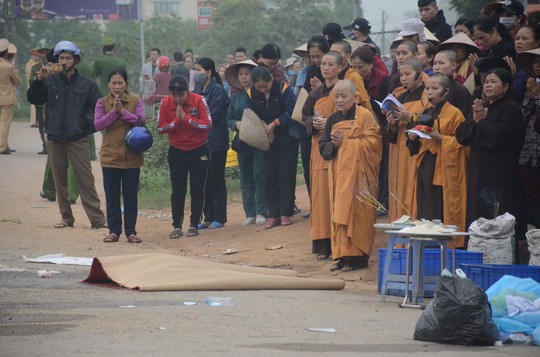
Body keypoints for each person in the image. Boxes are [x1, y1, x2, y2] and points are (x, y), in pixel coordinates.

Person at [27, 40, 106, 229]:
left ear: (75, 60)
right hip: (55, 138)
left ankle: (97, 219)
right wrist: (39, 79)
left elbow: (97, 108)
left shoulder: (87, 84)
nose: (64, 61)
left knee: (85, 179)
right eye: (61, 58)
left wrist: (82, 124)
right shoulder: (49, 81)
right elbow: (33, 98)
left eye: (68, 58)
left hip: (78, 139)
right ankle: (66, 218)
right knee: (59, 180)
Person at [456, 68, 527, 260]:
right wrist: (476, 120)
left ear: (505, 86)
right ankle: (478, 258)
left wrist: (481, 123)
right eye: (486, 81)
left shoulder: (511, 109)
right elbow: (462, 136)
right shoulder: (482, 107)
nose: (488, 85)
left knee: (499, 218)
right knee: (478, 217)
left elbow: (496, 138)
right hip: (479, 171)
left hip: (501, 175)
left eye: (493, 82)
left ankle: (503, 261)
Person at [319, 80, 382, 271]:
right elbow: (323, 146)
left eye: (343, 95)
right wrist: (336, 144)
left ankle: (359, 258)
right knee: (339, 212)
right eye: (336, 96)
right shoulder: (332, 119)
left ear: (355, 97)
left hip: (360, 176)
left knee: (358, 213)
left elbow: (374, 143)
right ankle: (342, 256)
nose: (339, 99)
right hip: (339, 175)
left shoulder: (365, 116)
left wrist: (346, 141)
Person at [405, 73, 469, 247]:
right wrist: (413, 138)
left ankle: (442, 246)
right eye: (427, 89)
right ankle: (425, 245)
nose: (430, 92)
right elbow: (415, 147)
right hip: (425, 164)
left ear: (446, 91)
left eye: (435, 88)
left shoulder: (455, 114)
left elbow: (463, 144)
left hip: (444, 168)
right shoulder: (424, 112)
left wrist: (439, 137)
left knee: (438, 206)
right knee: (424, 204)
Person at [157, 75, 212, 238]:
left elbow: (208, 124)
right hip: (177, 151)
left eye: (181, 95)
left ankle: (194, 223)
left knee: (197, 188)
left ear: (187, 92)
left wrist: (187, 119)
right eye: (175, 95)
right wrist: (176, 120)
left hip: (199, 149)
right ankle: (177, 225)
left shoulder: (199, 100)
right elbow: (160, 129)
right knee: (178, 190)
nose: (178, 99)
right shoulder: (165, 103)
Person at [94, 69, 145, 243]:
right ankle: (114, 231)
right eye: (114, 83)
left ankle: (131, 231)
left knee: (131, 196)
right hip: (110, 156)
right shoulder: (101, 102)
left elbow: (141, 121)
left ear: (126, 84)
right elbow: (98, 124)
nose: (117, 87)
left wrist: (123, 111)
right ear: (108, 85)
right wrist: (114, 112)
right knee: (112, 195)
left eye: (120, 83)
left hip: (132, 157)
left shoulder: (135, 101)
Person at [302, 51, 343, 260]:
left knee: (337, 195)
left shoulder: (343, 90)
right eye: (323, 64)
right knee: (320, 197)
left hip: (338, 148)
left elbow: (352, 116)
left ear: (340, 67)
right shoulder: (316, 92)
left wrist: (330, 123)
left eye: (330, 64)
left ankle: (340, 243)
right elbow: (305, 114)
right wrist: (313, 123)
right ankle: (322, 243)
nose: (325, 68)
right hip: (319, 148)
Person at [247, 66, 298, 228]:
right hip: (266, 138)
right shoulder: (251, 93)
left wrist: (275, 123)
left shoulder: (283, 88)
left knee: (285, 173)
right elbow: (251, 114)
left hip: (286, 136)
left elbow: (293, 111)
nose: (262, 90)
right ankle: (273, 214)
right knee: (270, 175)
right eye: (259, 87)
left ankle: (285, 213)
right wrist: (262, 125)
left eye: (265, 86)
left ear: (271, 79)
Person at [386, 58, 430, 220]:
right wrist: (392, 124)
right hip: (397, 153)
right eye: (401, 75)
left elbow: (429, 121)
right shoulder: (400, 97)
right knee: (397, 190)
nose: (403, 78)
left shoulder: (427, 95)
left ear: (419, 74)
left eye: (408, 74)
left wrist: (410, 117)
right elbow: (391, 133)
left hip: (415, 152)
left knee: (412, 191)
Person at [226, 59, 267, 226]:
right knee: (245, 177)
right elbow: (228, 118)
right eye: (241, 74)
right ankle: (249, 213)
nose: (244, 77)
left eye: (247, 74)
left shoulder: (260, 94)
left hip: (259, 141)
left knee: (260, 175)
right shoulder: (236, 97)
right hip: (242, 141)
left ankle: (261, 211)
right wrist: (236, 124)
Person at [350, 46, 391, 215]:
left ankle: (383, 201)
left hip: (382, 125)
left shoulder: (383, 79)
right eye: (354, 67)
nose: (357, 71)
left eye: (361, 67)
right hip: (363, 127)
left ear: (371, 65)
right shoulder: (353, 81)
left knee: (384, 166)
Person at [193, 58, 230, 230]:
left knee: (217, 178)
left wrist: (195, 117)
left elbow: (212, 115)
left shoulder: (218, 91)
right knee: (205, 180)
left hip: (216, 141)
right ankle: (208, 216)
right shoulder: (199, 90)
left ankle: (220, 217)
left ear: (208, 73)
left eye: (199, 70)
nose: (196, 74)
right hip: (202, 142)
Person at [517, 49, 540, 229]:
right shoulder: (531, 85)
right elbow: (522, 116)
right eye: (535, 62)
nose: (537, 65)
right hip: (529, 152)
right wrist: (532, 98)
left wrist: (537, 97)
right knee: (532, 196)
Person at [330, 41, 373, 112]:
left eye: (337, 53)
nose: (333, 57)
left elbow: (363, 103)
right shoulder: (331, 75)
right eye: (331, 53)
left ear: (348, 56)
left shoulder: (353, 77)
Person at [432, 50, 473, 119]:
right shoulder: (429, 87)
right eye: (434, 63)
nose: (436, 67)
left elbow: (464, 119)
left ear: (453, 65)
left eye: (441, 63)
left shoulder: (460, 91)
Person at [0, 39, 21, 155]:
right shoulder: (8, 66)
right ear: (5, 53)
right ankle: (2, 147)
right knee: (4, 123)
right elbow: (18, 82)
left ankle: (5, 145)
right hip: (6, 98)